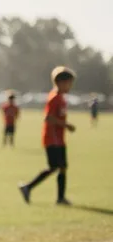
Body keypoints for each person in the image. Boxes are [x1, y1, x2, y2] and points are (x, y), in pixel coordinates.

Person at [19, 67, 76, 206]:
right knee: (54, 167)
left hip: (59, 139)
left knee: (62, 167)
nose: (70, 86)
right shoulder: (54, 98)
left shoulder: (61, 98)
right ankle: (27, 187)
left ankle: (60, 198)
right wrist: (65, 125)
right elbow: (48, 118)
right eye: (69, 83)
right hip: (52, 139)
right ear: (61, 82)